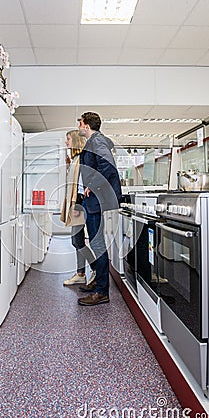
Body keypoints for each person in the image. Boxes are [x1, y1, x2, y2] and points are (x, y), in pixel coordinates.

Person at [77, 112, 122, 306]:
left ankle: (102, 291)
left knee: (97, 244)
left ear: (86, 125)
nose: (79, 126)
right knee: (96, 242)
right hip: (92, 200)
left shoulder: (98, 141)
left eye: (80, 123)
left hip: (96, 200)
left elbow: (108, 166)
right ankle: (97, 282)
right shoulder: (94, 142)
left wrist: (92, 185)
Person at [60, 130, 96, 286]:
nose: (66, 142)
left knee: (77, 240)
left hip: (80, 203)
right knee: (78, 240)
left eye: (68, 139)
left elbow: (82, 185)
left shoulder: (82, 159)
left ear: (75, 141)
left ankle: (95, 268)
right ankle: (81, 273)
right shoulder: (75, 159)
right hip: (78, 203)